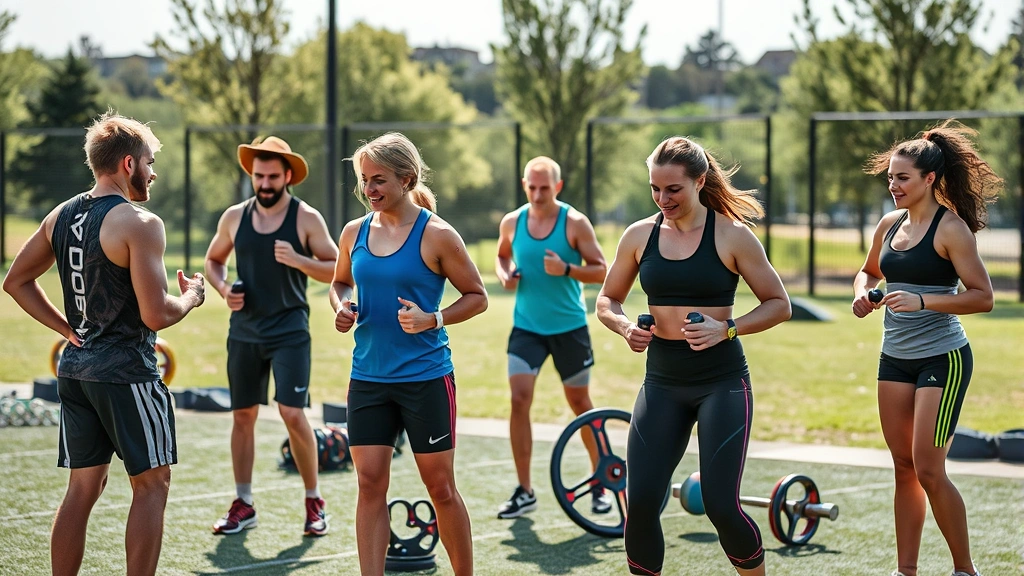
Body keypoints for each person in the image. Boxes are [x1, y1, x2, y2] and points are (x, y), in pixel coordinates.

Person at [2, 111, 205, 575]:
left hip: (75, 371)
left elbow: (16, 281)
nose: (154, 172)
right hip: (127, 373)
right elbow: (157, 314)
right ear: (129, 164)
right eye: (151, 161)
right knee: (153, 485)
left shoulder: (61, 214)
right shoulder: (140, 222)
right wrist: (191, 296)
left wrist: (65, 330)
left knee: (81, 490)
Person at [595, 136, 790, 576]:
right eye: (655, 189)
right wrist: (625, 326)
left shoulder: (732, 235)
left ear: (700, 182)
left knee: (721, 505)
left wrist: (729, 328)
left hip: (721, 382)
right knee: (641, 501)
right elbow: (607, 299)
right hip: (662, 381)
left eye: (673, 189)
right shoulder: (639, 235)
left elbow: (780, 304)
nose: (663, 199)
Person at [329, 132, 487, 576]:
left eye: (378, 180)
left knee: (440, 488)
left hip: (425, 378)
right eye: (364, 180)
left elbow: (477, 296)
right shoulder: (353, 232)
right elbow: (340, 282)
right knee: (369, 483)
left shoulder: (438, 235)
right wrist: (341, 306)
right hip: (368, 378)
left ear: (407, 178)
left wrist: (432, 319)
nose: (369, 189)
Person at [852, 120, 1000, 576]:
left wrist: (922, 300)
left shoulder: (951, 229)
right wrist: (864, 292)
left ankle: (964, 570)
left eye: (903, 177)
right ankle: (906, 571)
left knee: (929, 469)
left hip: (943, 358)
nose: (893, 185)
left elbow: (983, 297)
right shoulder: (888, 224)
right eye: (890, 177)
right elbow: (869, 270)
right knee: (903, 467)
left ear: (930, 179)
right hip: (894, 357)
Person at [204, 136, 339, 537]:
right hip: (244, 331)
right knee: (242, 416)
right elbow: (213, 260)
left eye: (272, 177)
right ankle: (243, 503)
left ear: (287, 177)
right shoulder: (234, 217)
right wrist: (224, 289)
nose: (264, 183)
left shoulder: (306, 218)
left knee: (292, 413)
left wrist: (298, 259)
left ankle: (314, 501)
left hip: (289, 331)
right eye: (259, 176)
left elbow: (335, 266)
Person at [494, 156, 610, 519]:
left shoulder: (574, 223)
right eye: (532, 186)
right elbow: (500, 256)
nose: (538, 193)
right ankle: (525, 490)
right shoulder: (512, 222)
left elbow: (601, 270)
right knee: (518, 399)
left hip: (569, 329)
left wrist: (567, 269)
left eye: (545, 187)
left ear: (557, 187)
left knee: (580, 404)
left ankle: (601, 481)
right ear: (524, 184)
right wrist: (505, 274)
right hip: (527, 327)